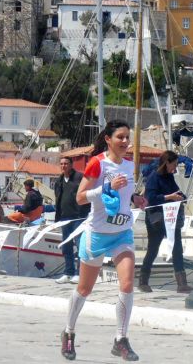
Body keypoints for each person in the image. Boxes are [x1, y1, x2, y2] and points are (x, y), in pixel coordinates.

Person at [62, 120, 144, 361]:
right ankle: (68, 333)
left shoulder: (130, 165)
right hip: (96, 235)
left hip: (122, 233)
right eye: (120, 137)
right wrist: (106, 187)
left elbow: (124, 196)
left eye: (128, 137)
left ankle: (121, 339)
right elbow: (80, 198)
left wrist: (136, 199)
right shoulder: (97, 163)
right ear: (108, 139)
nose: (125, 142)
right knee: (85, 289)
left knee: (127, 284)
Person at [139, 150, 192, 294]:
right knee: (153, 249)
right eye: (174, 164)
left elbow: (176, 191)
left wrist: (182, 196)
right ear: (166, 163)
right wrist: (170, 197)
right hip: (156, 219)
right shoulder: (154, 177)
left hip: (171, 218)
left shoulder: (169, 177)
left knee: (177, 249)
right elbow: (151, 197)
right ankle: (143, 281)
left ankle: (182, 284)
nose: (175, 168)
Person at [54, 157, 90, 284]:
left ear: (71, 165)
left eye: (66, 163)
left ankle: (80, 274)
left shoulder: (80, 178)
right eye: (61, 164)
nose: (63, 166)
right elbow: (57, 199)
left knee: (80, 245)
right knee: (66, 246)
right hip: (64, 218)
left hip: (79, 217)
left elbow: (87, 195)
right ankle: (68, 272)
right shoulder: (58, 181)